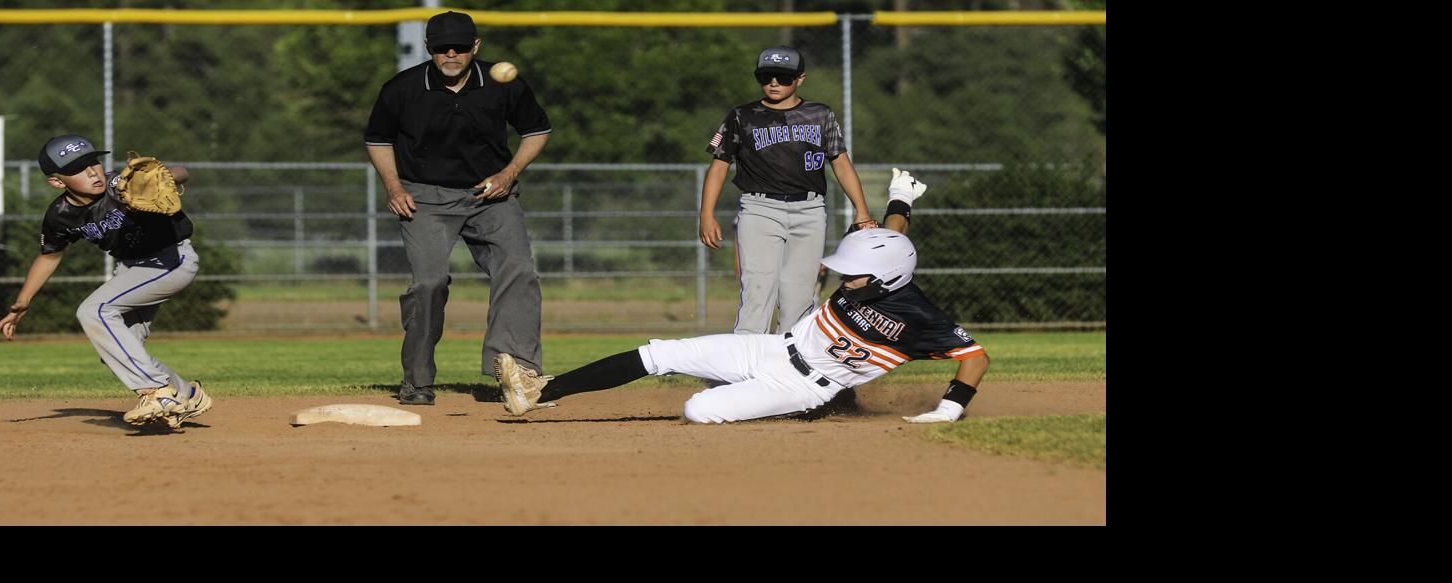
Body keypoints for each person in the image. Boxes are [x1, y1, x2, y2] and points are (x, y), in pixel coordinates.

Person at [500, 170, 988, 424]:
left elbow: (975, 357)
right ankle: (542, 390)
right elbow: (889, 236)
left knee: (697, 409)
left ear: (886, 279)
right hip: (773, 347)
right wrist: (901, 197)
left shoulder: (922, 318)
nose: (844, 278)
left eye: (855, 276)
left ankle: (812, 411)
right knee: (660, 354)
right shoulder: (881, 263)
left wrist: (949, 409)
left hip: (804, 387)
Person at [363, 10, 554, 409]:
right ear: (429, 48)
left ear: (476, 47)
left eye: (461, 47)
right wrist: (394, 186)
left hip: (491, 194)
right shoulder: (403, 88)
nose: (452, 55)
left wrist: (510, 172)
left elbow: (537, 131)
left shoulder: (504, 84)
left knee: (517, 269)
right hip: (425, 198)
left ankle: (517, 373)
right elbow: (378, 139)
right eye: (442, 48)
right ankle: (417, 381)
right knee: (428, 284)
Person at [0, 134, 211, 430]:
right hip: (131, 270)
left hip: (170, 259)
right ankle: (187, 394)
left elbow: (181, 172)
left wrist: (166, 177)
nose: (92, 171)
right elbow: (49, 256)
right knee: (119, 350)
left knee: (93, 310)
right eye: (77, 169)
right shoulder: (60, 216)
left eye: (92, 162)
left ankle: (157, 392)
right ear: (57, 182)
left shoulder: (118, 185)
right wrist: (22, 302)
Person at [699, 46, 875, 335]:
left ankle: (791, 369)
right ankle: (742, 368)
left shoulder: (819, 114)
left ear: (800, 79)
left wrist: (862, 209)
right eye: (766, 77)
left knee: (800, 294)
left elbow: (840, 162)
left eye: (783, 78)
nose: (774, 84)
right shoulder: (743, 116)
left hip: (810, 210)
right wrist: (707, 214)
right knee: (758, 288)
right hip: (760, 210)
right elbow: (719, 164)